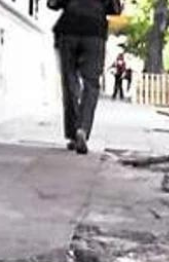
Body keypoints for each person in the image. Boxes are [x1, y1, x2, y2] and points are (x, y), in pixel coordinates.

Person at [49, 0, 114, 154]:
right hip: (94, 32)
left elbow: (53, 3)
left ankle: (73, 133)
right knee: (91, 83)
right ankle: (82, 129)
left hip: (69, 29)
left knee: (69, 80)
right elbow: (115, 8)